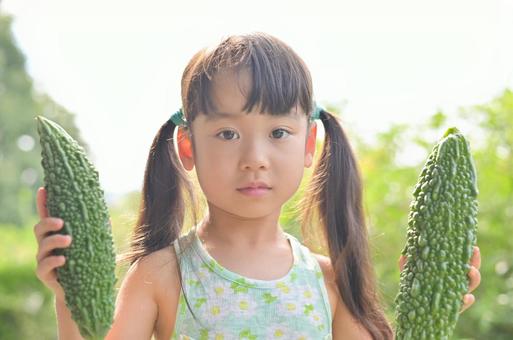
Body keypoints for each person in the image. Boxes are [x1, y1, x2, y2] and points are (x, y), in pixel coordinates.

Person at [33, 32, 481, 340]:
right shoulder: (161, 274)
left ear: (309, 144)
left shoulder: (329, 282)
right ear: (188, 147)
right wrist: (68, 295)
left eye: (278, 133)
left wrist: (435, 308)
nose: (254, 159)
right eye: (227, 134)